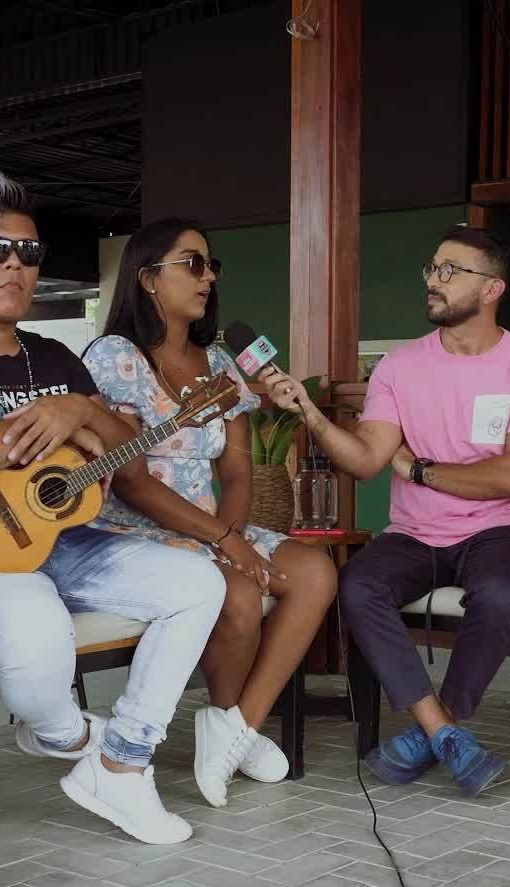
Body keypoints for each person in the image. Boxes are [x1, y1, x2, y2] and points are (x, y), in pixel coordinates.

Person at [0, 171, 226, 846]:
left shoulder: (57, 357)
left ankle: (123, 761)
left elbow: (125, 452)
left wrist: (80, 409)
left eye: (28, 254)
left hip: (65, 535)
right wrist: (62, 425)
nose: (13, 264)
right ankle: (71, 735)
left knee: (197, 583)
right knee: (38, 646)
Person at [263, 226, 510, 797]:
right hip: (416, 534)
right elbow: (368, 460)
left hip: (504, 528)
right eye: (432, 268)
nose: (435, 280)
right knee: (356, 586)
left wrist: (423, 471)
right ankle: (444, 733)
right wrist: (311, 414)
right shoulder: (399, 368)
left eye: (452, 270)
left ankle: (433, 732)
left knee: (499, 592)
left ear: (493, 287)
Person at [80, 218, 338, 808]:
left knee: (317, 572)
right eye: (191, 263)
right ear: (148, 278)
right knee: (242, 594)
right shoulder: (114, 357)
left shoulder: (221, 362)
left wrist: (232, 537)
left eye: (210, 264)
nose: (208, 276)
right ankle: (226, 723)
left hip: (215, 528)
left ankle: (235, 727)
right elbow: (131, 480)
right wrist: (225, 540)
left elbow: (238, 470)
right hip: (135, 530)